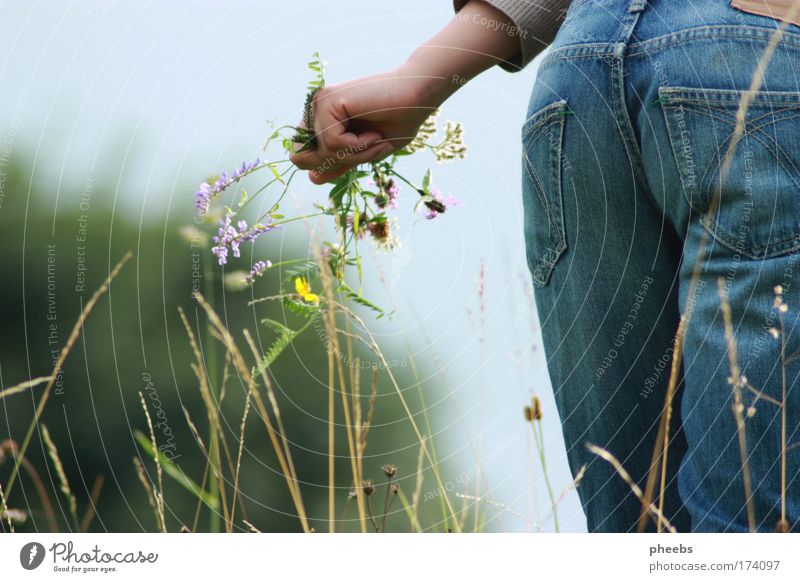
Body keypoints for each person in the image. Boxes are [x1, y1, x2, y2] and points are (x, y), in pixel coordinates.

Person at [291, 0, 800, 533]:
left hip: (582, 72)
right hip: (762, 54)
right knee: (760, 528)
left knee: (637, 526)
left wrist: (420, 78)